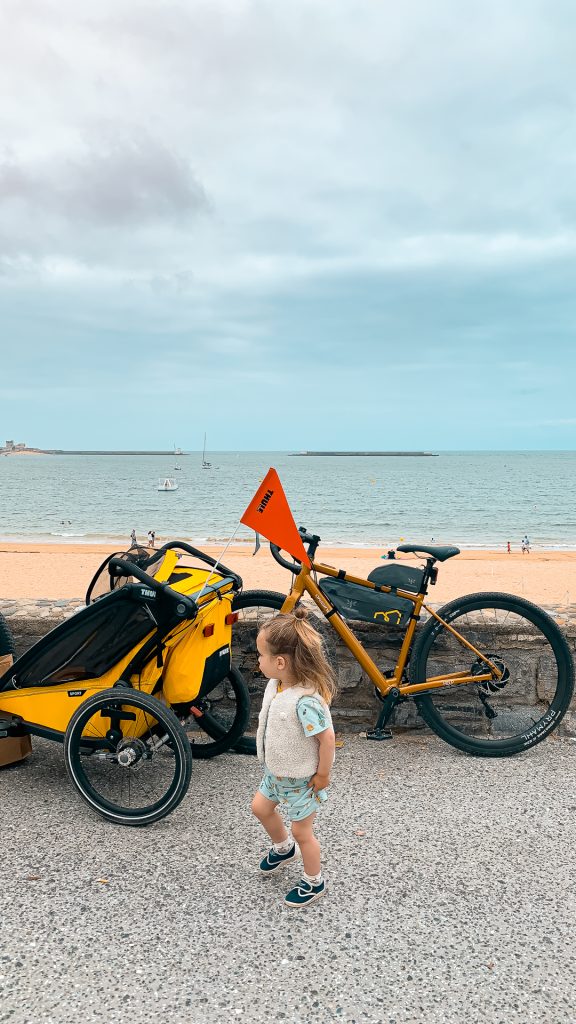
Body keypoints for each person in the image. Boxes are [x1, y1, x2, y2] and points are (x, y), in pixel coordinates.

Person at [251, 608, 336, 909]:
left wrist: (323, 775)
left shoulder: (305, 702)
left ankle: (315, 880)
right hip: (276, 773)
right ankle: (283, 848)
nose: (257, 661)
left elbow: (326, 739)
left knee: (303, 831)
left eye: (260, 656)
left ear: (280, 662)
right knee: (260, 807)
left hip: (302, 780)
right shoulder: (277, 685)